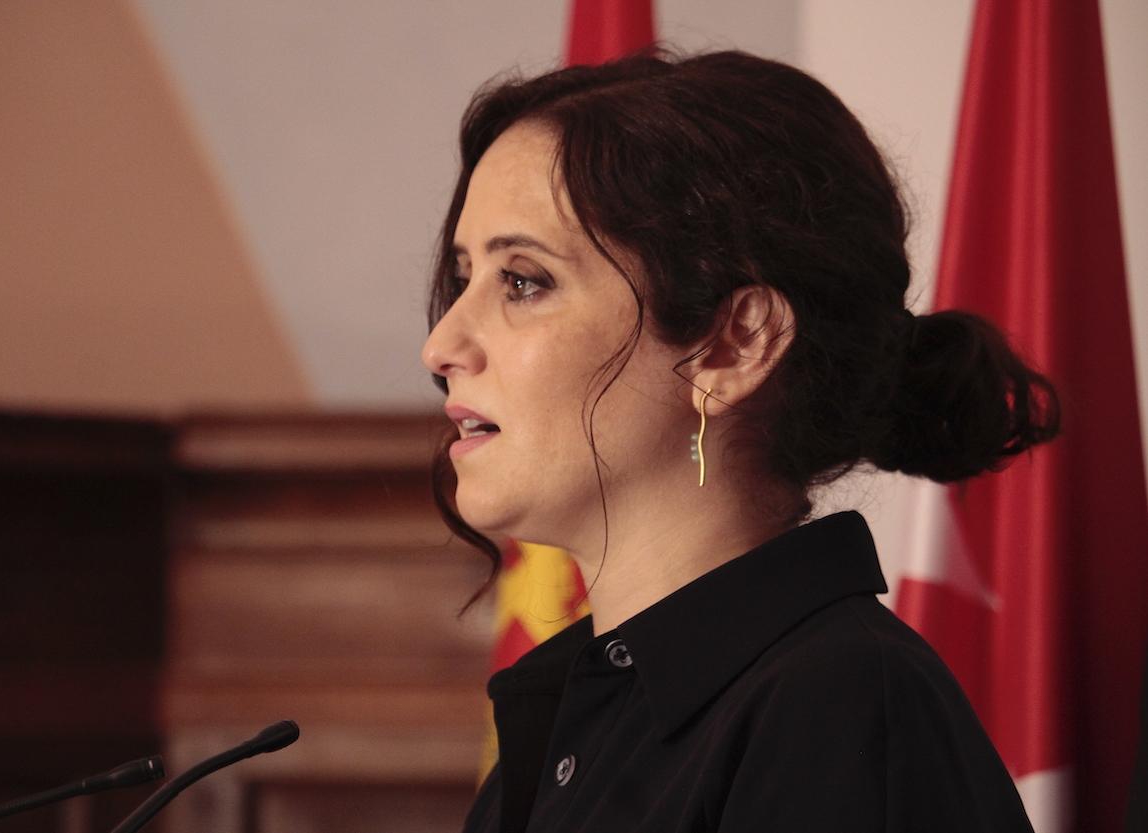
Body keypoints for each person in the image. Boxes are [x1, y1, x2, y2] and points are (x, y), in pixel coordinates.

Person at [420, 49, 1058, 833]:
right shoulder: (567, 717)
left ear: (735, 345)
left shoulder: (843, 715)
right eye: (464, 277)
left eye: (524, 280)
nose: (442, 344)